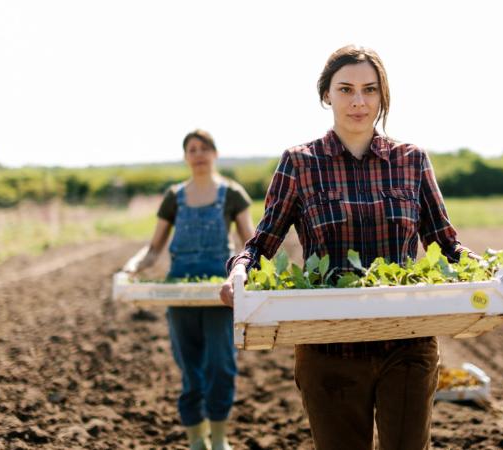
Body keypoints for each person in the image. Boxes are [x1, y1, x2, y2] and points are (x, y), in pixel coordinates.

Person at [219, 46, 477, 449]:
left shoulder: (411, 161)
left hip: (406, 342)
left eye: (370, 90)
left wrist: (487, 271)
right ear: (327, 95)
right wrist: (239, 271)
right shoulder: (300, 163)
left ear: (382, 96)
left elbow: (447, 244)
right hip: (329, 347)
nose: (358, 101)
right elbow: (262, 243)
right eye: (346, 89)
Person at [131, 129, 254, 450]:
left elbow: (251, 245)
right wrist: (133, 268)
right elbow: (154, 249)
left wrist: (252, 275)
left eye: (204, 148)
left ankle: (219, 439)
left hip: (220, 293)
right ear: (186, 157)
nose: (198, 154)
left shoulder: (232, 194)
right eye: (192, 149)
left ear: (214, 153)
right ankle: (195, 441)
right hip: (180, 293)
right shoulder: (175, 197)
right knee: (190, 369)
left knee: (220, 366)